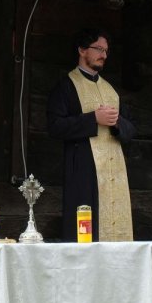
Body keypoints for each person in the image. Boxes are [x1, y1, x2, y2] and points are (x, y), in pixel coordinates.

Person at [46, 29, 135, 241]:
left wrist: (116, 123)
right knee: (85, 230)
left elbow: (131, 128)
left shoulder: (111, 90)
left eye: (106, 50)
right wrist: (92, 119)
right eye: (98, 49)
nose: (103, 55)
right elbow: (54, 126)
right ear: (82, 50)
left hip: (114, 171)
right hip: (84, 170)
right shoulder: (65, 86)